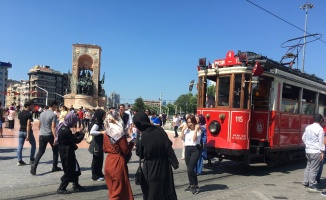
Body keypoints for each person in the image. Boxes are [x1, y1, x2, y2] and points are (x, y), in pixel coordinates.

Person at [134, 112, 179, 200]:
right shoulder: (159, 130)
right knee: (165, 190)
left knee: (152, 192)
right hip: (165, 166)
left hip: (151, 168)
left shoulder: (142, 134)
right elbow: (168, 144)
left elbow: (140, 154)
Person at [103, 110, 134, 200]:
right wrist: (132, 143)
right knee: (119, 190)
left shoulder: (106, 132)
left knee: (112, 189)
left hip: (109, 161)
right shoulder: (119, 132)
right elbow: (126, 150)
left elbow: (104, 148)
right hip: (117, 161)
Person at [56, 112, 85, 194]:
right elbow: (76, 140)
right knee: (70, 169)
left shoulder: (64, 127)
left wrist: (78, 133)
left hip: (66, 151)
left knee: (75, 168)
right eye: (74, 121)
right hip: (67, 152)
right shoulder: (65, 130)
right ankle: (62, 188)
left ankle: (76, 184)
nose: (75, 123)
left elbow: (71, 137)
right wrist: (82, 134)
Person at [30, 100, 61, 175]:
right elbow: (53, 127)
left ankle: (34, 165)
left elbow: (39, 125)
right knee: (55, 151)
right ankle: (54, 167)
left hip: (42, 135)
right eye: (56, 106)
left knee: (41, 151)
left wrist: (41, 131)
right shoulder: (53, 115)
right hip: (50, 135)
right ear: (53, 105)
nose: (56, 108)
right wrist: (55, 137)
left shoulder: (42, 113)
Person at [302, 114, 325, 192]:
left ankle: (305, 182)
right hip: (315, 151)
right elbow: (321, 141)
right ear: (321, 120)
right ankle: (312, 184)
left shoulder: (308, 127)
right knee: (314, 168)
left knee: (308, 166)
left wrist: (307, 144)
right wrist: (322, 152)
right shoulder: (320, 129)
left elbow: (303, 137)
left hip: (308, 150)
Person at [180, 114, 202, 194]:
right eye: (188, 122)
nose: (189, 124)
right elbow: (181, 137)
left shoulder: (199, 130)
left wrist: (195, 130)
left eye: (191, 122)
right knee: (188, 169)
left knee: (190, 169)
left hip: (195, 149)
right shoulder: (186, 130)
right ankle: (191, 184)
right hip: (187, 149)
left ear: (194, 122)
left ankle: (195, 185)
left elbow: (194, 139)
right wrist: (183, 130)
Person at [88, 108, 106, 181]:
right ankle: (95, 175)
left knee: (100, 159)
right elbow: (92, 132)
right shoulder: (97, 123)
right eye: (104, 115)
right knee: (96, 160)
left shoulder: (100, 122)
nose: (104, 117)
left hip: (100, 143)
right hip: (96, 144)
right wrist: (101, 132)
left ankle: (100, 173)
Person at [17, 101, 36, 165]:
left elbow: (19, 122)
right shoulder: (29, 114)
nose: (32, 107)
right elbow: (28, 125)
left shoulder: (20, 113)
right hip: (27, 132)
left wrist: (22, 126)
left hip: (21, 131)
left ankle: (19, 161)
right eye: (31, 106)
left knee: (20, 146)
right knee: (33, 145)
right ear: (28, 106)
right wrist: (28, 135)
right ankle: (32, 159)